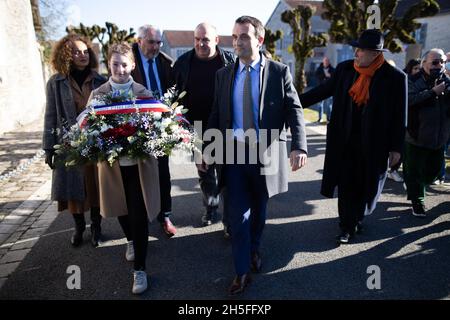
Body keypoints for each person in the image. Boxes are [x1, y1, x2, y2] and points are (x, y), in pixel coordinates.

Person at [202, 16, 307, 295]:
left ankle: (255, 248)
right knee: (238, 216)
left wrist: (299, 146)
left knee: (259, 210)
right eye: (234, 37)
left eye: (244, 36)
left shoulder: (278, 71)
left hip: (266, 154)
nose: (237, 42)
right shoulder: (223, 75)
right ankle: (241, 272)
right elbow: (215, 113)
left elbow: (294, 109)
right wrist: (208, 149)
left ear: (259, 40)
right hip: (234, 153)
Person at [299, 29, 407, 244]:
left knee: (366, 185)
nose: (356, 53)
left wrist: (397, 148)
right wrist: (292, 103)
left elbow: (399, 116)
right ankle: (346, 225)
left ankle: (357, 218)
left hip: (375, 144)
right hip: (345, 140)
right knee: (347, 184)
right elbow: (321, 91)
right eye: (356, 49)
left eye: (361, 50)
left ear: (375, 54)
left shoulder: (395, 77)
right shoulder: (345, 70)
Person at [89, 43, 160, 294]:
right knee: (121, 209)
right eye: (115, 64)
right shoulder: (98, 94)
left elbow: (157, 128)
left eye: (124, 64)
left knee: (139, 217)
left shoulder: (143, 92)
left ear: (132, 65)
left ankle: (140, 270)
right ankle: (129, 239)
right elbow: (88, 128)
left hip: (139, 167)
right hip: (113, 167)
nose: (120, 69)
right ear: (109, 65)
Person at [43, 34, 106, 247]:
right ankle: (79, 227)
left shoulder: (99, 80)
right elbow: (50, 115)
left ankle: (96, 227)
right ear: (66, 55)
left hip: (94, 142)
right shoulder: (56, 82)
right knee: (73, 190)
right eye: (77, 52)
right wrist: (49, 147)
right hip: (68, 143)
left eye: (85, 51)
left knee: (95, 187)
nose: (83, 55)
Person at [173, 22, 235, 230]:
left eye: (206, 39)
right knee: (205, 173)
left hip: (224, 127)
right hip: (196, 128)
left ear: (216, 40)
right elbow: (174, 98)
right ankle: (210, 208)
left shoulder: (229, 61)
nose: (201, 43)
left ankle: (229, 219)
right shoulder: (183, 63)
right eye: (197, 39)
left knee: (226, 174)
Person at [131, 25, 176, 237]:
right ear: (139, 41)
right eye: (151, 42)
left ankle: (164, 215)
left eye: (159, 42)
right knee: (138, 174)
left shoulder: (165, 62)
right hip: (134, 128)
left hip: (161, 127)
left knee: (163, 173)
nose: (156, 46)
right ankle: (141, 217)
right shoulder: (128, 61)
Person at [403, 48, 450, 217]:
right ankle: (418, 202)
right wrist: (432, 93)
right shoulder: (412, 80)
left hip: (439, 138)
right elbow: (409, 101)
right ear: (424, 64)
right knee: (414, 171)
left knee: (434, 172)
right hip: (416, 137)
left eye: (442, 62)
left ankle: (414, 185)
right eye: (435, 62)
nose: (440, 65)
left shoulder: (446, 80)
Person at [386, 59, 422, 183]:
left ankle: (394, 170)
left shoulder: (419, 80)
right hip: (393, 121)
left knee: (403, 149)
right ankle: (390, 170)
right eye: (415, 68)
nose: (417, 71)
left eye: (419, 68)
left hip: (411, 120)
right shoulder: (402, 80)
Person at [315, 56, 335, 123]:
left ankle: (328, 119)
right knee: (320, 105)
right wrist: (324, 75)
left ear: (329, 62)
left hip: (329, 90)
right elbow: (316, 76)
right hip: (320, 89)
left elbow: (334, 77)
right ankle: (320, 118)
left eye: (327, 61)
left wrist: (329, 75)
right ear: (323, 62)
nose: (326, 62)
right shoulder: (319, 69)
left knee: (329, 105)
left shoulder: (332, 69)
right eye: (325, 61)